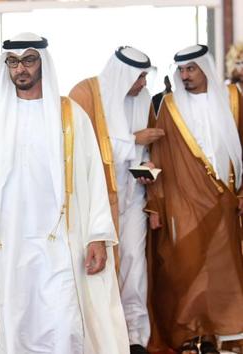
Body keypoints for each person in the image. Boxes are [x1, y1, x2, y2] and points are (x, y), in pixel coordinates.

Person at [0, 32, 129, 354]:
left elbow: (92, 179)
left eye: (29, 60)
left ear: (43, 62)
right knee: (12, 320)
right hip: (5, 243)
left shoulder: (71, 114)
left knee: (63, 320)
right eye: (14, 62)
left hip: (60, 242)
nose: (21, 69)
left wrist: (97, 236)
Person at [146, 44, 243, 353]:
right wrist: (155, 203)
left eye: (191, 69)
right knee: (186, 266)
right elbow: (157, 156)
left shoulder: (233, 98)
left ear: (205, 69)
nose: (185, 76)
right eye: (182, 70)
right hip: (182, 200)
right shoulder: (167, 105)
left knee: (224, 267)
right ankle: (192, 333)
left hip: (225, 197)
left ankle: (227, 333)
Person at [69, 46, 162, 354]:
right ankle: (102, 336)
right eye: (140, 77)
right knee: (101, 268)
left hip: (133, 196)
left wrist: (145, 166)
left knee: (135, 265)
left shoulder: (142, 100)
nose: (144, 84)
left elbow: (140, 155)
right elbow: (81, 146)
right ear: (124, 75)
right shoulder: (84, 94)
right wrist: (134, 140)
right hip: (96, 201)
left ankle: (135, 336)